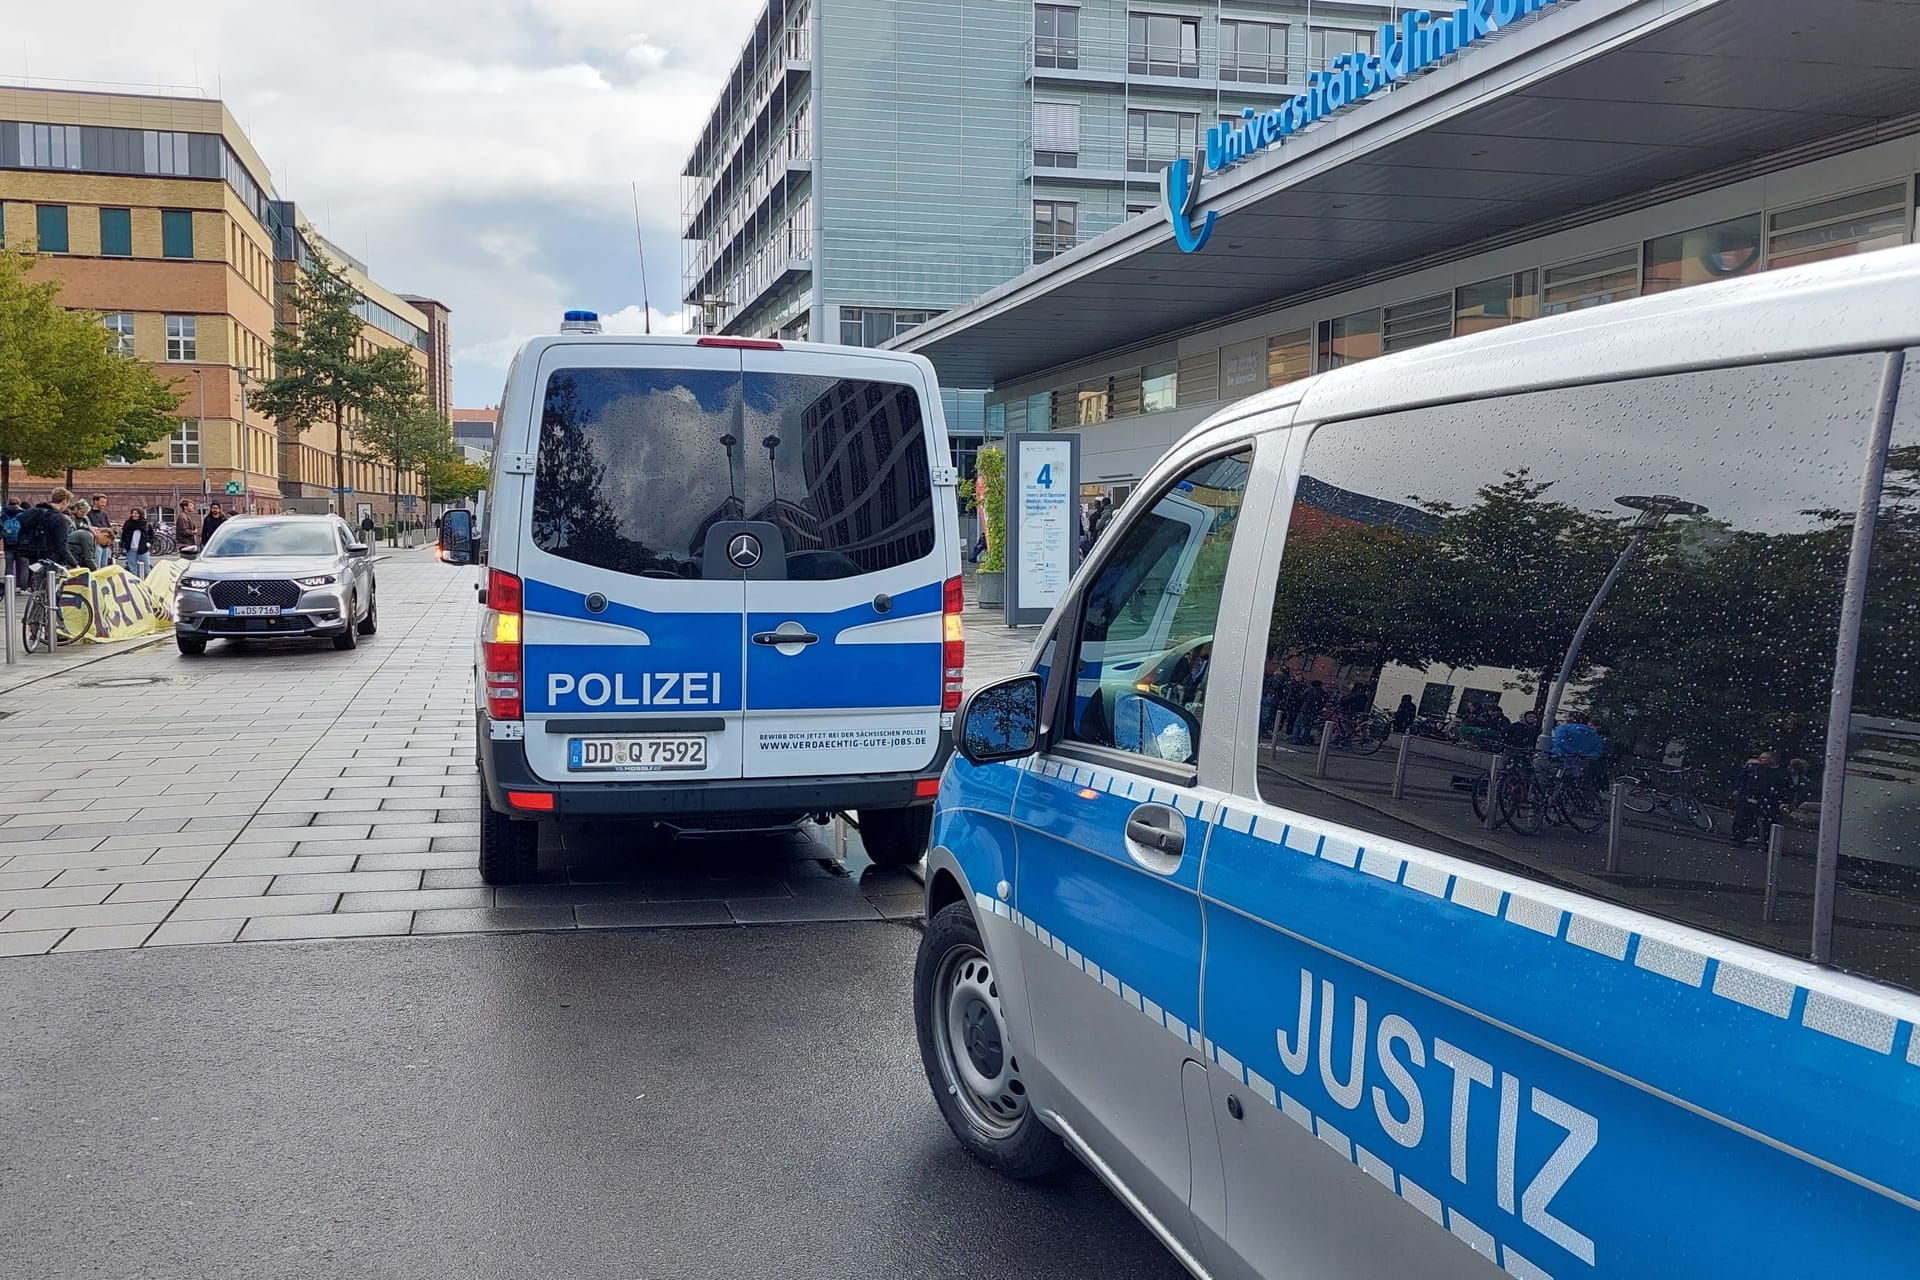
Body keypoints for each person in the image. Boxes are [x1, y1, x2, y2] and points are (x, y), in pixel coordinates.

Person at [1731, 750, 1790, 847]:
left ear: (1772, 760)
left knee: (1768, 819)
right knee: (1744, 814)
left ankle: (1765, 841)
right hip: (1754, 795)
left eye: (1763, 758)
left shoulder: (1779, 773)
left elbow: (1783, 787)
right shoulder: (1757, 768)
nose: (1760, 760)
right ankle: (1741, 836)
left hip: (1770, 798)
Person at [15, 488, 77, 578]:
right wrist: (74, 564)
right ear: (64, 501)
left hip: (31, 555)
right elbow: (61, 546)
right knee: (49, 587)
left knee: (35, 585)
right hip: (51, 560)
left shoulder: (34, 512)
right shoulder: (60, 519)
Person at [1550, 711, 1605, 777]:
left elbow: (1560, 742)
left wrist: (1571, 752)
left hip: (1561, 760)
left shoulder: (1563, 728)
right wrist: (1584, 755)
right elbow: (1597, 751)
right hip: (1582, 764)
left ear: (1569, 719)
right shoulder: (1594, 733)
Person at [1290, 679, 1327, 746]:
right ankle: (1304, 740)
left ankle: (1295, 739)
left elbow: (1301, 698)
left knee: (1297, 724)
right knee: (1308, 726)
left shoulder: (1309, 690)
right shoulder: (1323, 693)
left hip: (1305, 709)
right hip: (1313, 711)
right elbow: (1323, 702)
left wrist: (1299, 707)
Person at [121, 509, 155, 579]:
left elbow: (151, 535)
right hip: (131, 548)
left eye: (136, 513)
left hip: (142, 548)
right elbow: (123, 534)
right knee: (132, 566)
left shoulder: (146, 524)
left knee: (146, 567)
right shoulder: (128, 523)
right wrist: (124, 543)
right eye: (133, 513)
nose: (134, 515)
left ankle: (147, 581)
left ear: (140, 514)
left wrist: (149, 543)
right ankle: (134, 581)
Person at [65, 501, 97, 571]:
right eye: (82, 512)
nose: (83, 514)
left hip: (83, 545)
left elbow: (89, 526)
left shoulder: (85, 518)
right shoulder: (69, 518)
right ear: (76, 509)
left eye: (85, 513)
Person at [87, 495, 113, 569]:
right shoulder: (88, 514)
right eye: (102, 502)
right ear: (95, 501)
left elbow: (108, 527)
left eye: (105, 502)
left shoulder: (104, 514)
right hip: (96, 543)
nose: (104, 504)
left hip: (105, 544)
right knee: (96, 566)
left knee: (104, 566)